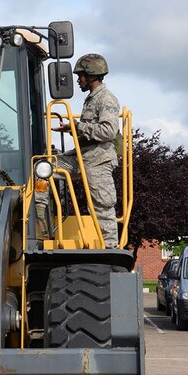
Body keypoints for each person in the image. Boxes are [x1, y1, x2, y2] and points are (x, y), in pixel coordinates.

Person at [50, 53, 120, 248]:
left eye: (80, 75)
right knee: (43, 168)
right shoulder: (91, 99)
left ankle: (110, 250)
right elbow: (89, 132)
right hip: (83, 155)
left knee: (102, 206)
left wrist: (78, 126)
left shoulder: (106, 99)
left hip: (98, 160)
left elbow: (108, 131)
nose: (78, 80)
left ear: (91, 76)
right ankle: (42, 226)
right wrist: (72, 129)